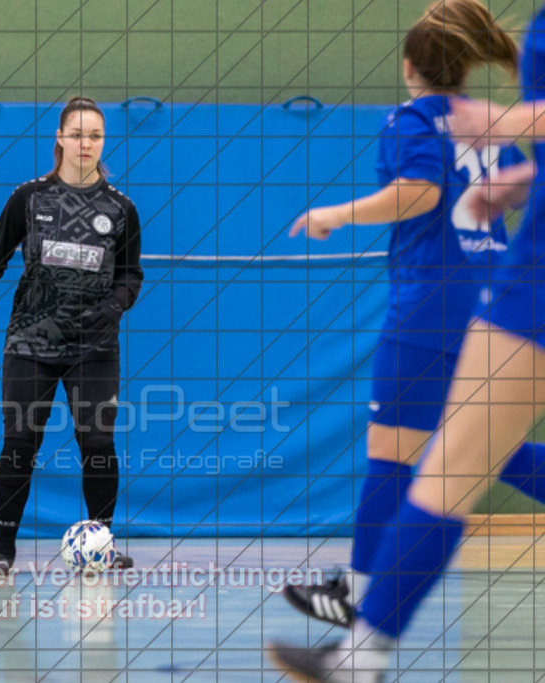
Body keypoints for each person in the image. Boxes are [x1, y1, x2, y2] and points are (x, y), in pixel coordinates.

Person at [269, 2, 545, 679]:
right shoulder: (481, 122)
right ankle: (360, 624)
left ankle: (357, 603)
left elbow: (419, 192)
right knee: (470, 451)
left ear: (409, 66)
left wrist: (334, 213)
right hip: (492, 288)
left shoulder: (414, 118)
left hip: (436, 302)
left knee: (399, 453)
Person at [0, 95, 143, 574]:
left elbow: (130, 274)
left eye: (95, 136)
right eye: (77, 134)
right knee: (20, 443)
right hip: (30, 342)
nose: (86, 143)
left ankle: (101, 544)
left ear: (103, 142)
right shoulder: (30, 198)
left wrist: (115, 305)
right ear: (60, 138)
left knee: (97, 445)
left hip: (94, 346)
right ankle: (4, 550)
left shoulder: (121, 209)